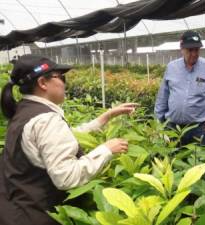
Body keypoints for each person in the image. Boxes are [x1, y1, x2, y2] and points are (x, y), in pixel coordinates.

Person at [0, 55, 136, 225]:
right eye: (61, 77)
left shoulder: (26, 110)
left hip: (13, 210)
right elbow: (66, 177)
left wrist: (105, 117)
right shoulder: (46, 120)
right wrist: (106, 150)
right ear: (43, 83)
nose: (65, 82)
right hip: (36, 215)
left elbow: (58, 140)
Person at [155, 30, 205, 145]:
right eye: (190, 50)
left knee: (201, 161)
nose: (194, 53)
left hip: (199, 130)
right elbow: (162, 97)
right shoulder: (172, 67)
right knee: (172, 161)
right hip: (172, 128)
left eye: (197, 49)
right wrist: (158, 125)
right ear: (182, 48)